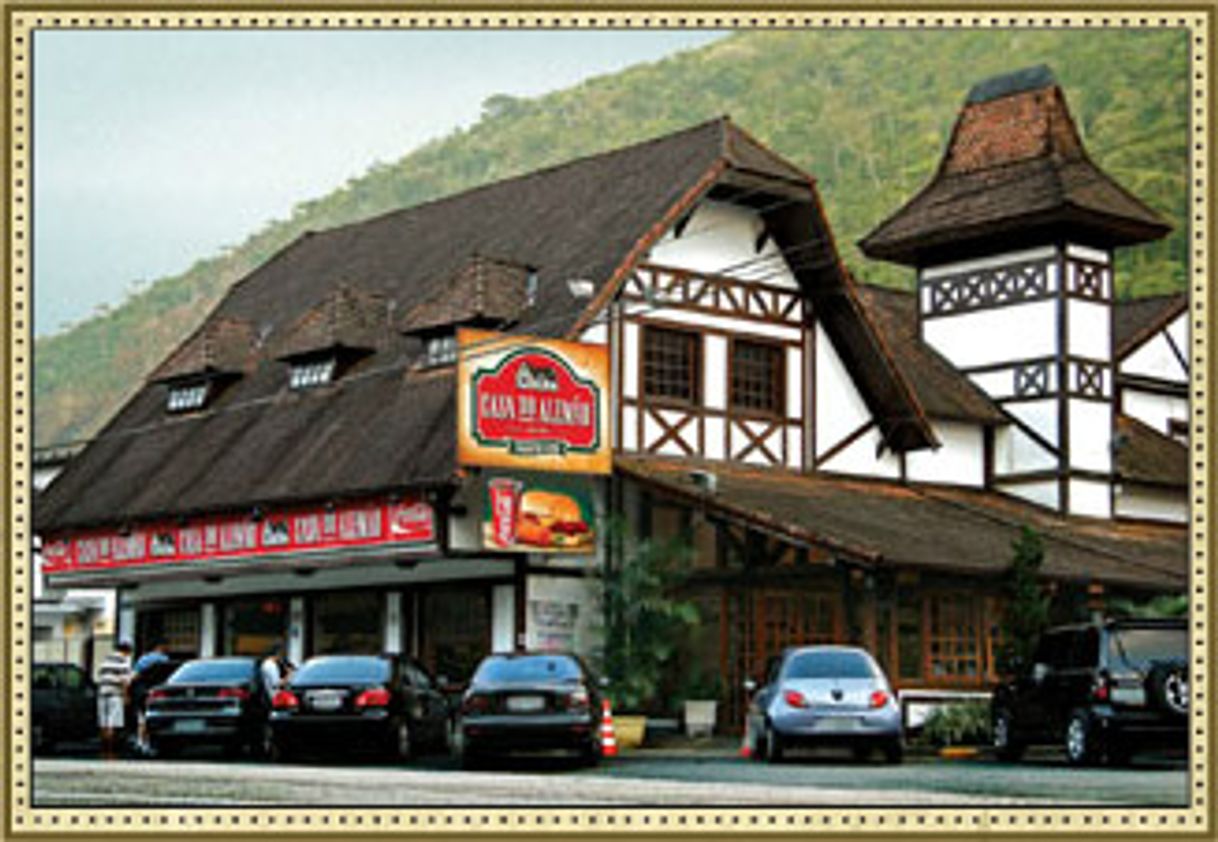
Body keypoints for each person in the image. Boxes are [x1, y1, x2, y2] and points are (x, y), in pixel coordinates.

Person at [129, 640, 171, 755]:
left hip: (141, 690)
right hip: (156, 691)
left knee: (141, 717)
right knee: (151, 716)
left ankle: (141, 742)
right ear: (160, 647)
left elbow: (134, 676)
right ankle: (148, 743)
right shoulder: (165, 660)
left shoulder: (143, 659)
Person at [96, 641, 133, 760]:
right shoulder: (123, 661)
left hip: (102, 694)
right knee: (113, 725)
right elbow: (124, 681)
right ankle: (111, 753)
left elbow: (100, 677)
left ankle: (103, 751)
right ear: (127, 651)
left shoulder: (105, 661)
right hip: (115, 695)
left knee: (103, 724)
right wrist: (126, 696)